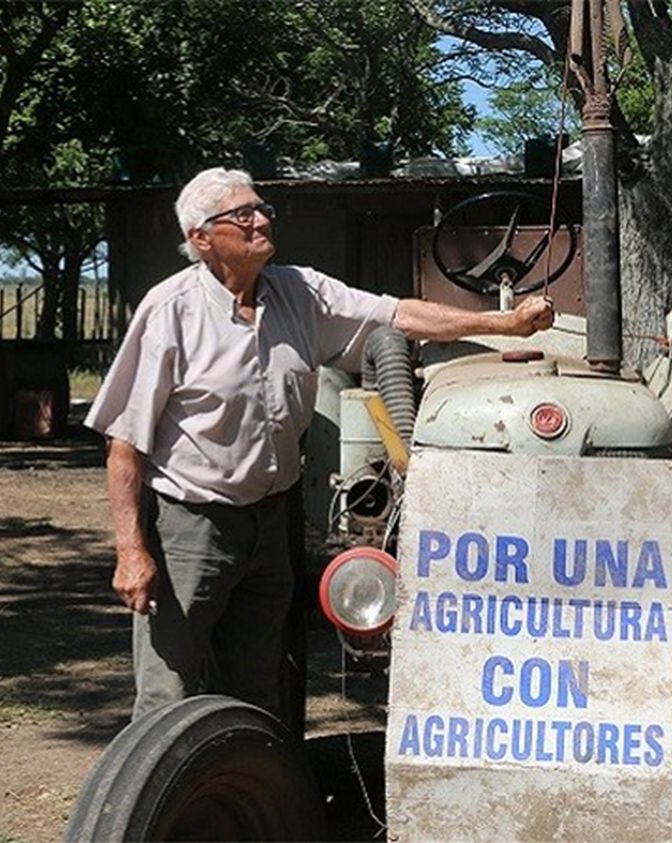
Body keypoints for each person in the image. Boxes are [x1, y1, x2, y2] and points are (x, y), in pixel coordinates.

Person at [86, 167, 554, 721]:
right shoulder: (170, 311)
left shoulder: (299, 291)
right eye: (243, 214)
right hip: (191, 526)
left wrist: (503, 324)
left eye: (262, 209)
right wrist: (131, 551)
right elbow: (124, 448)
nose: (261, 219)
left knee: (257, 687)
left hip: (271, 524)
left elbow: (396, 314)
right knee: (170, 688)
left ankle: (250, 801)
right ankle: (162, 802)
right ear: (201, 238)